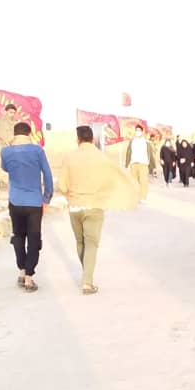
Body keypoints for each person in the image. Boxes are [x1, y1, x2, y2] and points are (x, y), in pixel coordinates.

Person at [55, 125, 140, 295]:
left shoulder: (69, 158)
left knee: (80, 242)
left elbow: (62, 186)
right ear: (92, 139)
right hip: (95, 206)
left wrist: (71, 194)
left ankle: (86, 273)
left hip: (75, 206)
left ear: (78, 139)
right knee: (92, 243)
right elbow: (114, 179)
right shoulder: (101, 158)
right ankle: (87, 282)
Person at [0, 121, 53, 292]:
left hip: (15, 201)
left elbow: (5, 168)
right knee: (34, 238)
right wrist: (47, 198)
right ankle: (29, 277)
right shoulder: (37, 151)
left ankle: (22, 271)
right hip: (34, 202)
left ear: (14, 135)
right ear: (29, 134)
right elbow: (48, 175)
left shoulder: (6, 151)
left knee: (18, 236)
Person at [124, 124, 155, 203]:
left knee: (143, 181)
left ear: (142, 132)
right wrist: (126, 164)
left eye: (139, 130)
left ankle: (143, 197)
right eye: (136, 130)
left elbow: (151, 154)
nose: (137, 132)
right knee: (134, 181)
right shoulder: (132, 141)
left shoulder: (146, 142)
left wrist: (153, 166)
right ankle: (136, 197)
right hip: (133, 163)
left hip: (143, 163)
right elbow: (128, 152)